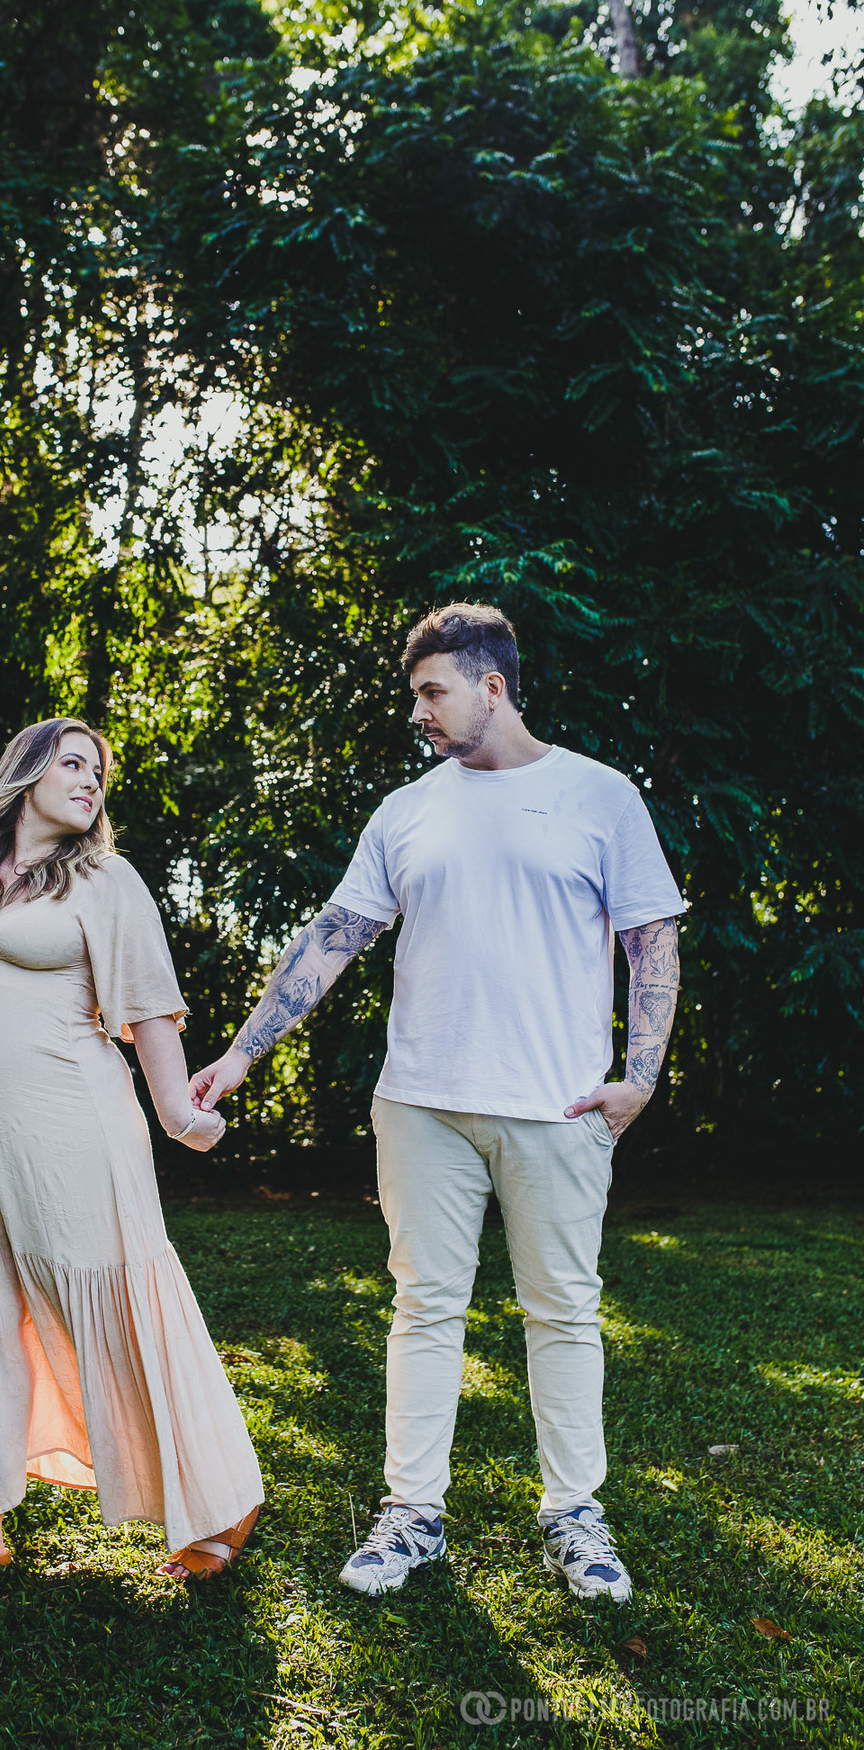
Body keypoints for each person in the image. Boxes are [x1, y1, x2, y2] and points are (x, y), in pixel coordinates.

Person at [190, 602, 684, 1604]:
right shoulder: (407, 811)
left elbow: (652, 942)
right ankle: (411, 1517)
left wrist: (641, 1076)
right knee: (424, 1311)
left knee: (563, 1315)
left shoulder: (599, 796)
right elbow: (334, 937)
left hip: (559, 1109)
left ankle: (573, 1519)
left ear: (491, 687)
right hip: (420, 1105)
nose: (418, 711)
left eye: (432, 692)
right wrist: (243, 1054)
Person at [0, 717, 263, 1587]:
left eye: (100, 771)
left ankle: (217, 1497)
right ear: (26, 772)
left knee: (108, 1287)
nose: (91, 780)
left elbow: (149, 1005)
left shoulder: (104, 879)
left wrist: (174, 1110)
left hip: (66, 1119)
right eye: (74, 762)